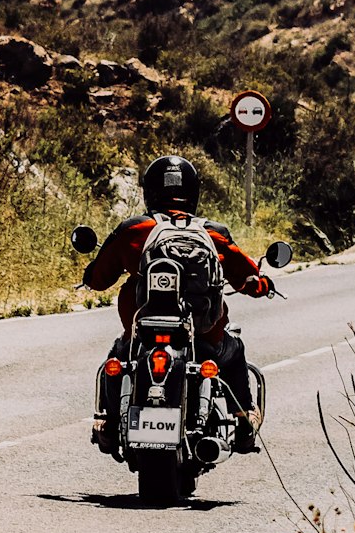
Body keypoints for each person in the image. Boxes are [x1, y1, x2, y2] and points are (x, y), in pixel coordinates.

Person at [82, 153, 272, 454]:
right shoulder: (213, 234)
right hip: (203, 338)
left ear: (150, 190)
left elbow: (98, 279)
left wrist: (91, 274)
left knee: (117, 359)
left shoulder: (134, 230)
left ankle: (107, 422)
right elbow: (248, 276)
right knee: (235, 350)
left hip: (141, 336)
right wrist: (261, 284)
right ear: (194, 192)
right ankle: (243, 420)